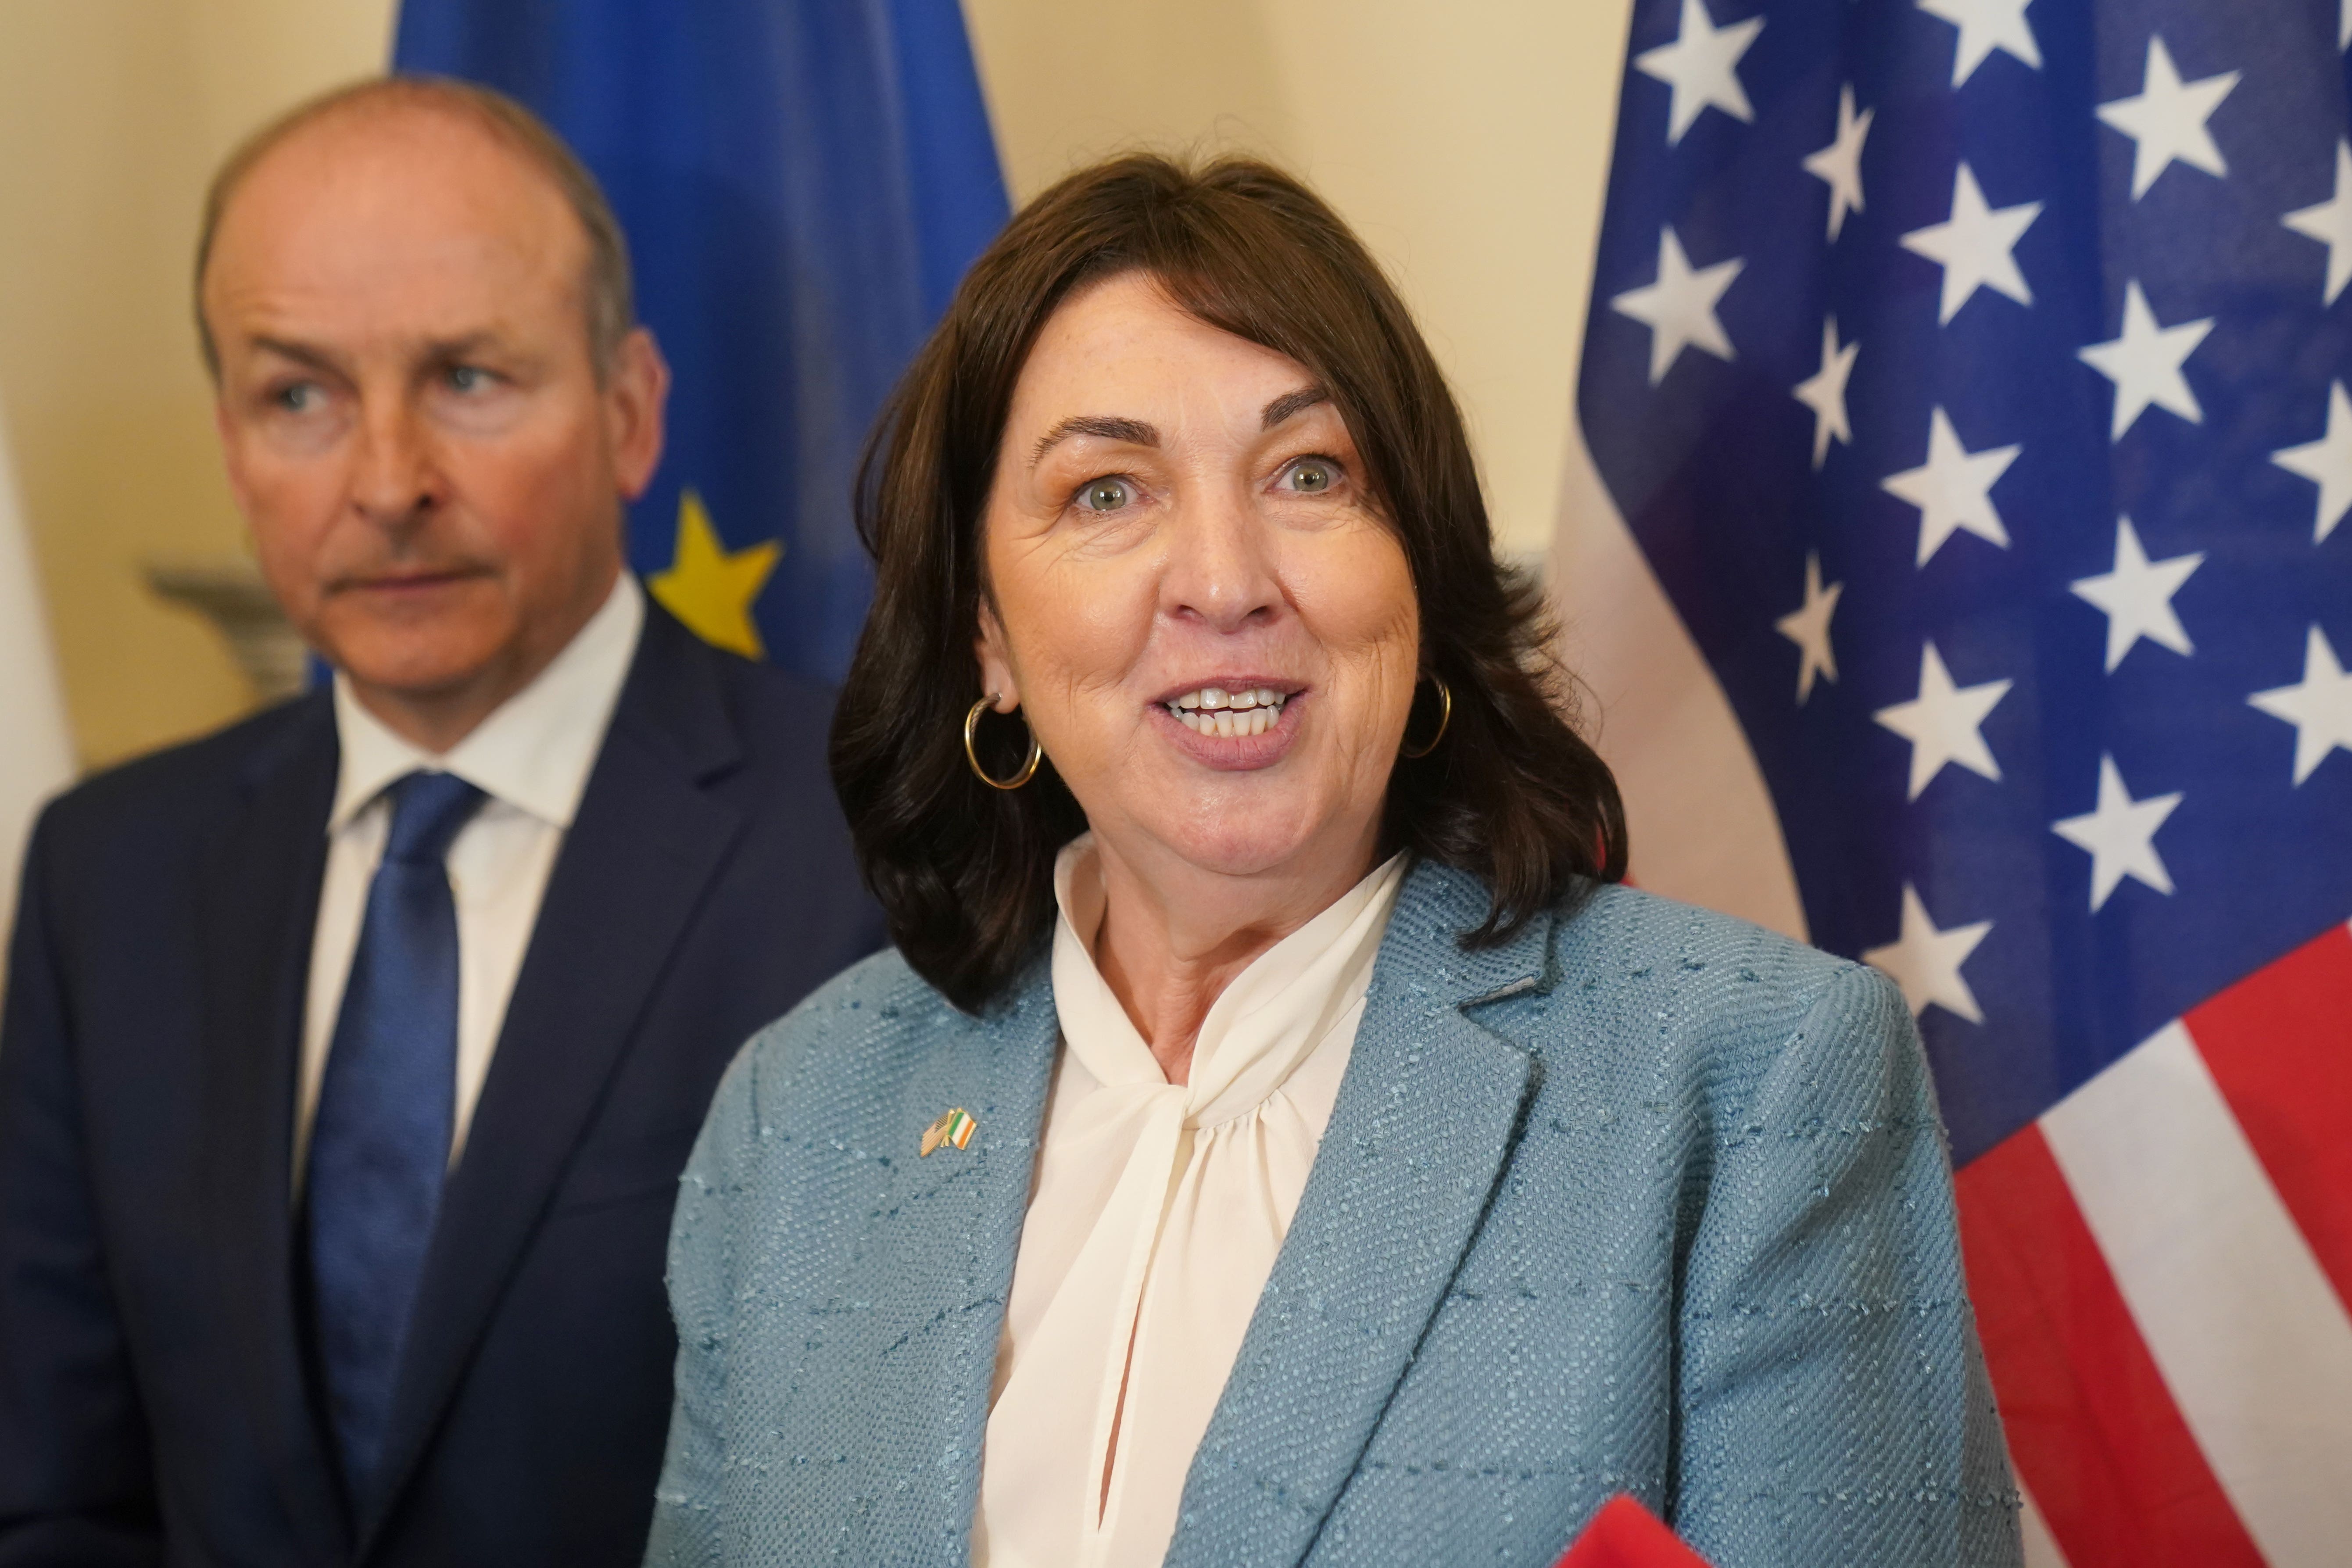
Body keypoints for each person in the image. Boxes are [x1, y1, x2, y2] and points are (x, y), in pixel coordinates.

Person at [647, 154, 2023, 1568]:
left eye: (1310, 474)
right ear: (986, 636)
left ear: (1415, 574)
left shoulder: (1750, 1081)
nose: (1227, 578)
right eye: (1108, 493)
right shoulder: (798, 1115)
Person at [0, 78, 882, 1566]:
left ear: (629, 412)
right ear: (229, 442)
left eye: (469, 379)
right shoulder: (109, 874)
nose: (389, 482)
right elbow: (53, 1495)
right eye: (299, 396)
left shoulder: (872, 848)